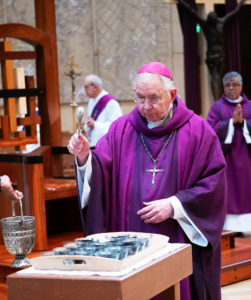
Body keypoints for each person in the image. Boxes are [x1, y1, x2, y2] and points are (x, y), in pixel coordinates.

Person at [68, 62, 226, 299]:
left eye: (153, 98)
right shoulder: (121, 129)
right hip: (130, 239)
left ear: (171, 94)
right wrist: (84, 156)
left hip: (177, 236)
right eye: (140, 98)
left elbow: (213, 184)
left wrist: (175, 205)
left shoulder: (198, 131)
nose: (146, 106)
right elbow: (101, 168)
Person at [207, 71, 251, 233]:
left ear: (241, 86)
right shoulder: (217, 107)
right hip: (227, 161)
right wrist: (231, 123)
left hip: (248, 161)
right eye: (228, 85)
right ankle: (229, 230)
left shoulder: (250, 106)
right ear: (223, 87)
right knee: (229, 193)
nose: (231, 88)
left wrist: (244, 123)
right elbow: (210, 132)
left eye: (235, 84)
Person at [177, 0, 246, 100]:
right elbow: (234, 12)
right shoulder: (221, 22)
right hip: (220, 55)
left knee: (216, 77)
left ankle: (217, 99)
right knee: (218, 77)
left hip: (213, 56)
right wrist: (240, 3)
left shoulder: (206, 25)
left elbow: (191, 11)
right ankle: (218, 100)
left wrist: (181, 2)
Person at [83, 74, 123, 148]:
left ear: (95, 86)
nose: (84, 89)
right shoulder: (91, 101)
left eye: (86, 87)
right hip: (93, 143)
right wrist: (89, 124)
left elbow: (117, 126)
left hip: (107, 145)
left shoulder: (111, 102)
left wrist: (95, 125)